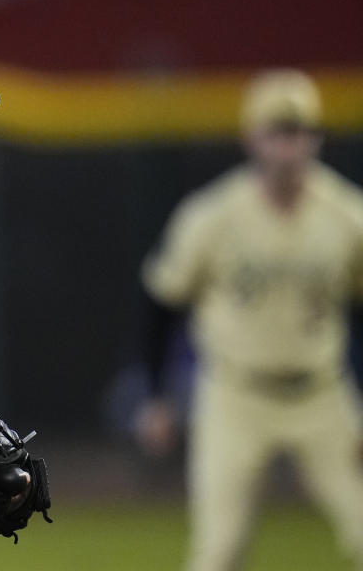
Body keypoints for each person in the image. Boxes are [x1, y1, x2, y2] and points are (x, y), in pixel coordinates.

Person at [135, 69, 363, 571]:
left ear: (317, 138)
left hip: (323, 394)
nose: (290, 146)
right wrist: (155, 395)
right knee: (218, 551)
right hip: (236, 397)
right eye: (279, 132)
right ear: (252, 138)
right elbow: (164, 303)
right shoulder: (211, 217)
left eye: (300, 132)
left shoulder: (348, 215)